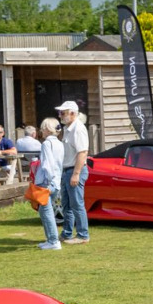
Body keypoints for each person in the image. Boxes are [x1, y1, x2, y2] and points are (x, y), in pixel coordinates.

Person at [56, 100, 90, 244]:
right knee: (67, 205)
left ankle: (83, 235)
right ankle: (67, 233)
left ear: (72, 113)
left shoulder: (78, 129)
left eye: (62, 113)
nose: (60, 115)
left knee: (77, 204)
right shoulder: (67, 128)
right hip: (67, 170)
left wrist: (76, 174)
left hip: (75, 170)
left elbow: (82, 152)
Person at [33, 118, 64, 250]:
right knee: (45, 211)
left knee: (47, 212)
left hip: (47, 182)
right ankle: (50, 239)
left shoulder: (46, 144)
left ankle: (53, 241)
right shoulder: (59, 143)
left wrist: (47, 180)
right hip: (56, 181)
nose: (41, 131)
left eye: (42, 128)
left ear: (47, 129)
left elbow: (47, 164)